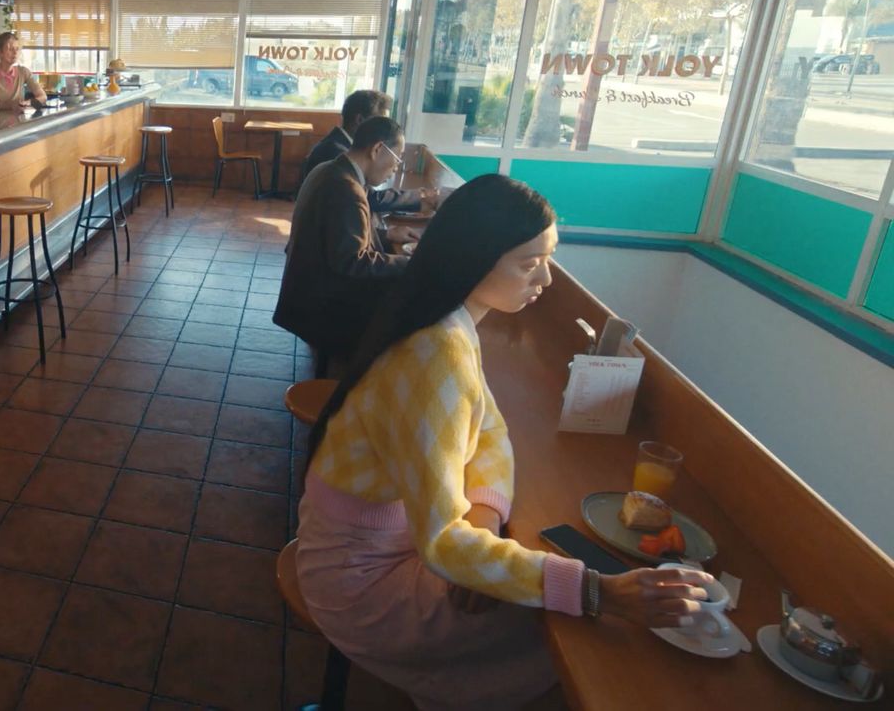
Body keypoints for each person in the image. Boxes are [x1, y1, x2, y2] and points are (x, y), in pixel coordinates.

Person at [295, 174, 715, 710]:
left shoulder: (449, 323)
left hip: (389, 549)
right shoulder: (436, 353)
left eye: (549, 257)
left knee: (535, 599)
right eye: (528, 262)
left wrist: (485, 517)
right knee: (567, 635)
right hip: (360, 585)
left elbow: (490, 428)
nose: (546, 277)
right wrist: (598, 591)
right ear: (473, 258)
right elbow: (444, 542)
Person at [274, 116, 412, 365]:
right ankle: (361, 391)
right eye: (398, 157)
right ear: (377, 149)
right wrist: (409, 262)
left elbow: (333, 236)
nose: (396, 167)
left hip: (305, 292)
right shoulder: (347, 189)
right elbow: (352, 262)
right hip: (322, 306)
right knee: (407, 316)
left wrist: (384, 235)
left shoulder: (330, 169)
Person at [299, 89, 439, 223]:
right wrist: (422, 197)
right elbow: (368, 198)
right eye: (381, 122)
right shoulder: (335, 152)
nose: (386, 129)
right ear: (360, 120)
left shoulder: (339, 146)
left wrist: (386, 235)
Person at [0, 31, 47, 117]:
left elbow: (43, 96)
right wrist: (14, 105)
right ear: (0, 53)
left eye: (17, 49)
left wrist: (27, 103)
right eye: (10, 49)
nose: (15, 53)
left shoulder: (23, 72)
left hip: (18, 126)